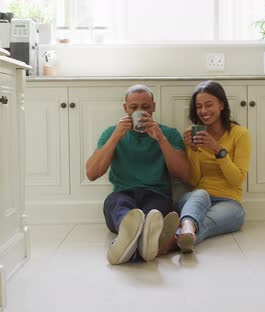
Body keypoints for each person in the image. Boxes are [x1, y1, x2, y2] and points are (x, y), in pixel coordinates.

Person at [86, 85, 189, 265]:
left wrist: (161, 139)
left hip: (157, 194)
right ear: (125, 108)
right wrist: (116, 137)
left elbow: (184, 175)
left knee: (153, 214)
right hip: (123, 193)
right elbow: (92, 173)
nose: (140, 111)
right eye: (134, 107)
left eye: (146, 106)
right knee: (119, 205)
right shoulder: (111, 133)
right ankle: (140, 237)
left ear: (154, 107)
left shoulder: (169, 134)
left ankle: (129, 243)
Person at [176, 81, 251, 253]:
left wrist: (218, 150)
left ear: (221, 105)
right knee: (201, 194)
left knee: (231, 216)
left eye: (209, 105)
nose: (203, 111)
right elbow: (194, 181)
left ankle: (179, 236)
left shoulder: (240, 134)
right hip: (196, 199)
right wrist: (193, 150)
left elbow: (236, 180)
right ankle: (186, 228)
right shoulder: (194, 132)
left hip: (229, 202)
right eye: (199, 106)